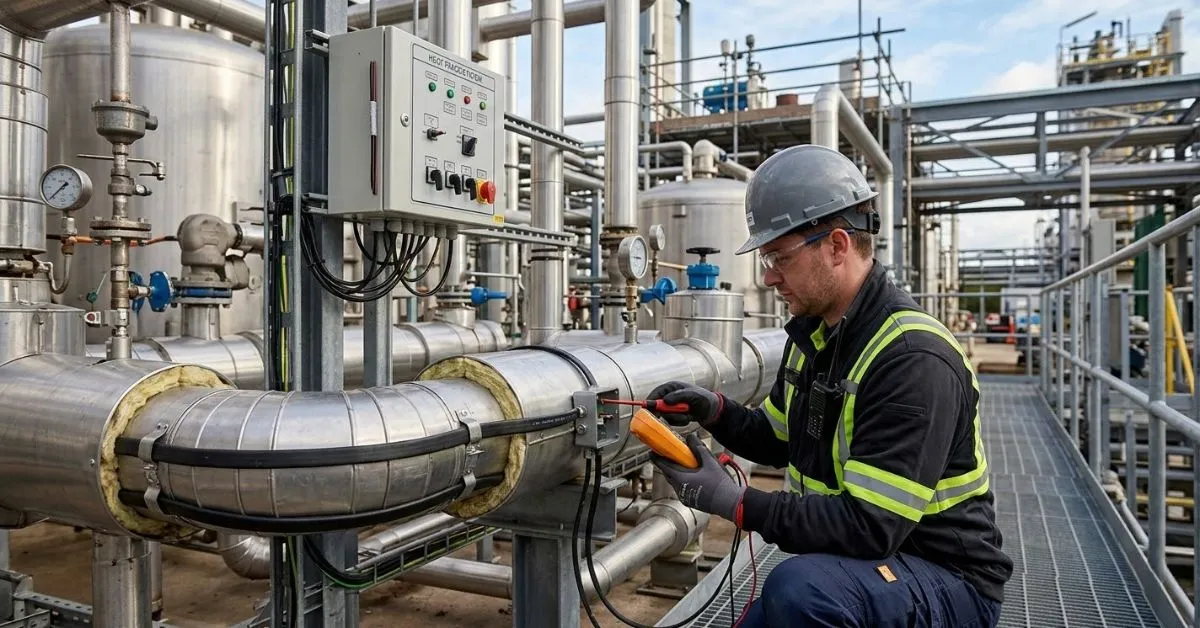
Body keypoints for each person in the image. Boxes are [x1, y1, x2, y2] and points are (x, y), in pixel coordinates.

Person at [646, 145, 1012, 627]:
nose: (768, 276)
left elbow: (868, 526)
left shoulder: (911, 359)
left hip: (946, 579)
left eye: (779, 255)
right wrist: (715, 410)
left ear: (837, 245)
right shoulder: (816, 334)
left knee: (799, 593)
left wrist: (734, 503)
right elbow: (777, 438)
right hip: (867, 565)